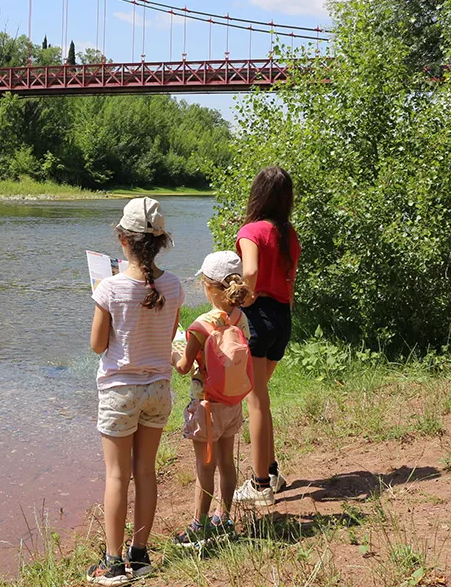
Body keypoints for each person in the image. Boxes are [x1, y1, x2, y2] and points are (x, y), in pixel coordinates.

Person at [86, 197, 184, 585]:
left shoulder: (109, 287)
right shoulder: (174, 285)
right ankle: (139, 558)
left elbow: (97, 345)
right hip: (158, 389)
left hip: (120, 390)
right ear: (160, 242)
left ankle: (112, 564)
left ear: (122, 239)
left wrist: (101, 296)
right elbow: (167, 332)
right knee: (146, 472)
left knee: (116, 476)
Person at [171, 251, 253, 547]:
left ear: (208, 286)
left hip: (205, 404)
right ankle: (225, 518)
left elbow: (183, 367)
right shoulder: (241, 318)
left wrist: (172, 349)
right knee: (226, 462)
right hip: (232, 402)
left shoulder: (202, 324)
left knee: (204, 468)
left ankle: (198, 527)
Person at [232, 166, 300, 508]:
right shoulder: (290, 235)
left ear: (257, 193)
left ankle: (260, 486)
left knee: (256, 401)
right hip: (282, 320)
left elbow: (251, 271)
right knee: (262, 397)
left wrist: (247, 296)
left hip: (259, 321)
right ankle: (271, 472)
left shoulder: (251, 230)